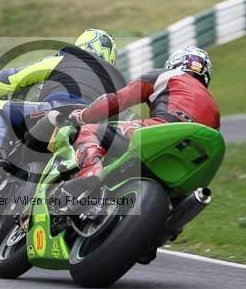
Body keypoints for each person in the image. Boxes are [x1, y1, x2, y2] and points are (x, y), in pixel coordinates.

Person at [65, 45, 220, 193]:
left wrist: (82, 116)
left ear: (174, 63)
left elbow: (117, 101)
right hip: (196, 157)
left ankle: (90, 170)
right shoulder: (214, 107)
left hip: (164, 129)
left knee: (88, 131)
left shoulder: (166, 75)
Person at [0, 29, 126, 166]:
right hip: (94, 129)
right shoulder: (118, 81)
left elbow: (11, 79)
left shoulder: (67, 59)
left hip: (58, 108)